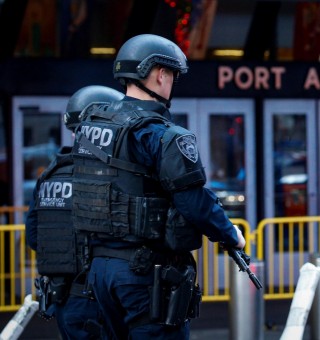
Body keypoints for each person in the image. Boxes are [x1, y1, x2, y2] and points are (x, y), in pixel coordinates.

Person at [70, 34, 246, 340]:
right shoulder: (162, 134)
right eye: (173, 75)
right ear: (160, 74)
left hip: (99, 272)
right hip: (143, 274)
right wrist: (231, 235)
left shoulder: (92, 127)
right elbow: (193, 202)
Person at [26, 85, 124, 340]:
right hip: (100, 300)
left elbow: (34, 238)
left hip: (64, 300)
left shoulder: (49, 175)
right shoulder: (105, 176)